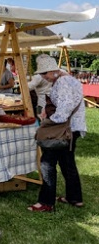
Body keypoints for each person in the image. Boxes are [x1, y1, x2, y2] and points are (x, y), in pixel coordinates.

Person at [28, 54, 86, 212]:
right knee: (67, 164)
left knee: (47, 163)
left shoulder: (62, 82)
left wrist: (49, 121)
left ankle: (46, 203)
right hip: (71, 129)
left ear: (52, 71)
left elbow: (64, 110)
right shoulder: (67, 79)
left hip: (64, 129)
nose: (43, 77)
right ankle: (74, 198)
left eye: (44, 73)